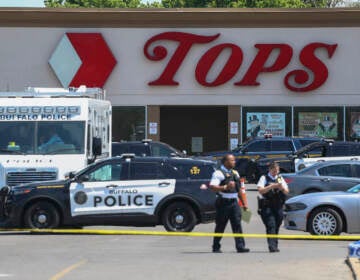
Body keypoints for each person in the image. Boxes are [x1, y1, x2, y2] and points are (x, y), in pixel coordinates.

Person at [209, 154, 250, 253]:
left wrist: (244, 203)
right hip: (223, 202)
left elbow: (239, 189)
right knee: (220, 225)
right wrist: (225, 187)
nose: (234, 162)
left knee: (237, 225)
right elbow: (212, 186)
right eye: (232, 160)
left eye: (234, 160)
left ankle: (240, 246)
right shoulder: (219, 173)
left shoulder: (235, 173)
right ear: (226, 162)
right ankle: (216, 246)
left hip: (234, 202)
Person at [257, 162, 289, 253]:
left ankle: (275, 244)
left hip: (278, 205)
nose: (276, 173)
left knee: (277, 225)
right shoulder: (264, 178)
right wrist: (271, 186)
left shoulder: (279, 178)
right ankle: (272, 246)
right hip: (267, 205)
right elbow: (261, 190)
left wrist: (281, 188)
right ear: (270, 170)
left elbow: (287, 192)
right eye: (274, 171)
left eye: (277, 171)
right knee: (271, 225)